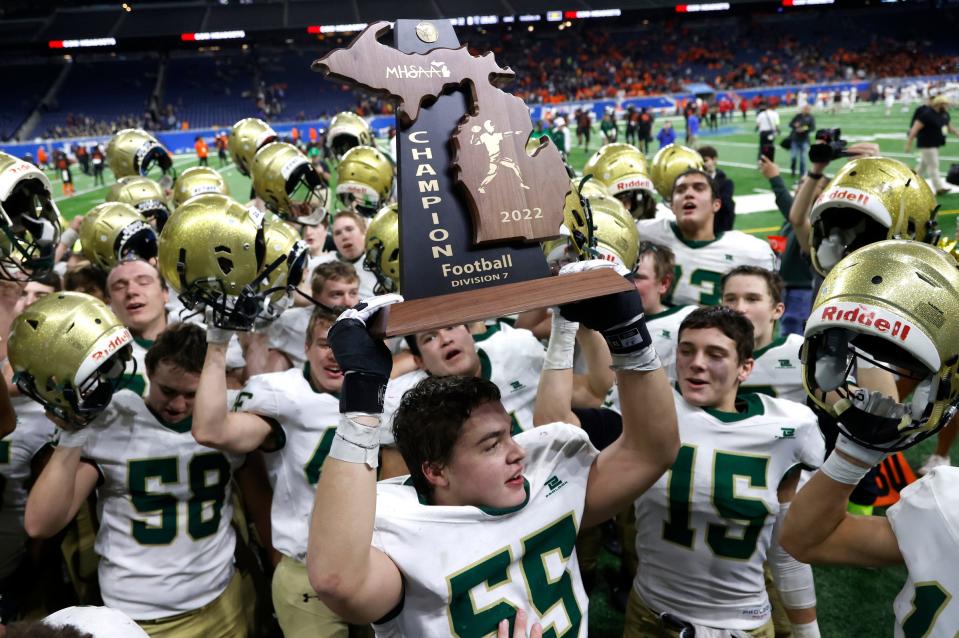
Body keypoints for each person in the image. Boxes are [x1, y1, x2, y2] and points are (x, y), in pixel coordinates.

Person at [306, 261, 678, 635]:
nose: (517, 452)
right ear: (435, 470)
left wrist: (629, 337)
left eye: (507, 434)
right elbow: (338, 580)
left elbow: (652, 451)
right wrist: (360, 405)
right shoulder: (399, 524)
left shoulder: (546, 467)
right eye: (490, 445)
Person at [25, 324, 251, 636]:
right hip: (134, 615)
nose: (178, 406)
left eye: (192, 394)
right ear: (148, 370)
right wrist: (70, 435)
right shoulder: (115, 418)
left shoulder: (230, 420)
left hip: (220, 600)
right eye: (168, 391)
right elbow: (41, 524)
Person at [624, 306, 823, 637]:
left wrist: (808, 633)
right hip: (649, 612)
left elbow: (787, 551)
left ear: (745, 368)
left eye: (715, 354)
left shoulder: (787, 427)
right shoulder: (648, 409)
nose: (697, 362)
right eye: (687, 351)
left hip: (740, 625)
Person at [193, 307, 356, 638]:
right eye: (326, 343)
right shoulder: (283, 395)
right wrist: (219, 340)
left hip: (374, 561)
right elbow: (212, 430)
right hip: (308, 569)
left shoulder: (385, 392)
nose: (336, 354)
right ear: (306, 348)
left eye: (349, 343)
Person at [636, 169, 777, 306]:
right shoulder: (644, 232)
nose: (689, 194)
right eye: (680, 190)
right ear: (672, 206)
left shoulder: (751, 252)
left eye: (699, 188)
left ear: (716, 204)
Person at [721, 266, 804, 402]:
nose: (740, 309)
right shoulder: (701, 354)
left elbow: (842, 404)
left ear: (777, 310)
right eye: (730, 299)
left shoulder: (800, 351)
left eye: (752, 299)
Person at [757, 156, 814, 337]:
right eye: (801, 184)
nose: (800, 188)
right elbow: (780, 245)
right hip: (784, 287)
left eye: (809, 185)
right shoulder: (789, 222)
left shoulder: (812, 221)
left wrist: (775, 178)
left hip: (802, 290)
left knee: (795, 342)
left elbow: (790, 210)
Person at [905, 95, 957, 195]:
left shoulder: (944, 114)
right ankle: (939, 188)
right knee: (933, 166)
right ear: (939, 104)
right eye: (945, 105)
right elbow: (915, 129)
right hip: (927, 144)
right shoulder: (927, 114)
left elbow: (949, 127)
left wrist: (956, 133)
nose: (947, 107)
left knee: (922, 167)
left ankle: (910, 181)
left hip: (935, 143)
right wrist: (909, 143)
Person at [330, 211, 376, 299]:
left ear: (364, 232)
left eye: (349, 229)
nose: (344, 236)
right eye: (337, 233)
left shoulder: (381, 263)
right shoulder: (326, 265)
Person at [697, 145, 735, 233]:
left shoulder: (726, 183)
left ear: (714, 160)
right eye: (701, 161)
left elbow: (728, 209)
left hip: (718, 229)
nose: (703, 164)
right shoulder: (694, 182)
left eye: (705, 160)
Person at [788, 104, 815, 178]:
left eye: (807, 109)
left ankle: (802, 173)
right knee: (793, 157)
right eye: (804, 108)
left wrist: (804, 129)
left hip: (804, 140)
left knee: (803, 159)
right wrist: (795, 126)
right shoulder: (798, 116)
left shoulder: (810, 117)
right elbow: (790, 124)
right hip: (795, 139)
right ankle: (793, 170)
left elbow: (812, 128)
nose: (805, 110)